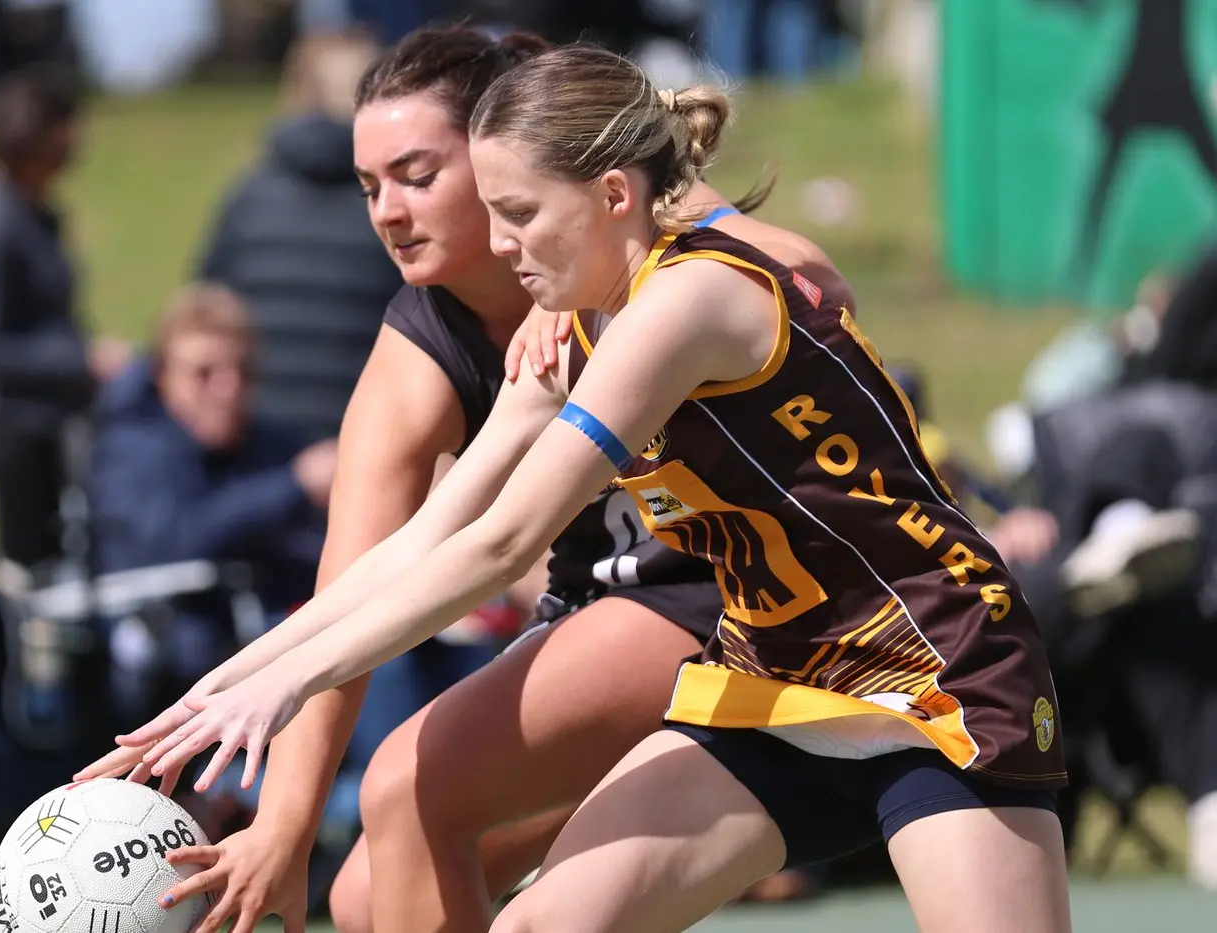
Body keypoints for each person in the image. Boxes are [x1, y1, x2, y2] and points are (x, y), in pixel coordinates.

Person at [76, 25, 851, 933]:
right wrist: (277, 812)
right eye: (369, 186)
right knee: (366, 897)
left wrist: (619, 299)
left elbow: (813, 282)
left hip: (732, 597)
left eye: (416, 175)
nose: (387, 211)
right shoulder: (425, 346)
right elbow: (368, 570)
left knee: (408, 784)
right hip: (599, 601)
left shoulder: (634, 228)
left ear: (496, 152)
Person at [91, 283, 338, 719]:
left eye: (243, 370)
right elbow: (179, 538)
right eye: (204, 373)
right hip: (180, 665)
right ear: (163, 376)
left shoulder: (270, 442)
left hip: (273, 636)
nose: (228, 388)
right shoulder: (133, 450)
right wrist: (295, 486)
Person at [0, 62, 131, 575]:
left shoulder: (33, 210)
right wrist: (83, 360)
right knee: (33, 570)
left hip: (56, 420)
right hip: (16, 428)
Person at [194, 31, 402, 442]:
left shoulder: (247, 199)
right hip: (364, 436)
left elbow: (205, 310)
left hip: (263, 442)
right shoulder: (393, 205)